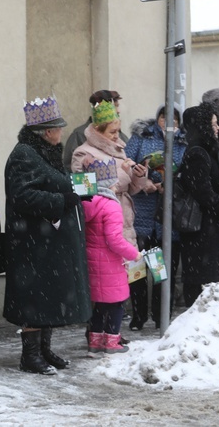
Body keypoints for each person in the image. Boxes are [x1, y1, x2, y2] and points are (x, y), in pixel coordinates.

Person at [3, 96, 90, 376]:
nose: (61, 132)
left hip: (46, 241)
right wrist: (62, 200)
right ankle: (30, 356)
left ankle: (43, 350)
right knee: (35, 299)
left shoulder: (43, 152)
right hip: (32, 241)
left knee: (48, 296)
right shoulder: (24, 154)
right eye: (58, 128)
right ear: (47, 132)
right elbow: (22, 196)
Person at [71, 101, 149, 332]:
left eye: (117, 131)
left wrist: (138, 176)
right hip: (101, 223)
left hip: (124, 218)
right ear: (98, 131)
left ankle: (112, 332)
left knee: (120, 282)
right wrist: (107, 188)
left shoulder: (119, 150)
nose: (117, 136)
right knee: (102, 284)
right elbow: (81, 192)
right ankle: (97, 331)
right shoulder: (83, 152)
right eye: (112, 132)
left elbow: (131, 189)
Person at [124, 104, 186, 330]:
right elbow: (125, 164)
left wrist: (168, 185)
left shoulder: (183, 142)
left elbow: (186, 174)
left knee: (161, 271)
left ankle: (162, 316)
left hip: (166, 221)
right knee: (137, 269)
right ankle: (138, 316)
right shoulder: (141, 136)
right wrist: (143, 182)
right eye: (163, 117)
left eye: (174, 120)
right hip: (140, 216)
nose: (167, 123)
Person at [80, 158, 141, 356]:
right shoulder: (111, 206)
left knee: (99, 304)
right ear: (109, 184)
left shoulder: (86, 204)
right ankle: (112, 341)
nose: (117, 185)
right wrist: (134, 254)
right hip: (109, 263)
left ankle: (95, 341)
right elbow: (114, 240)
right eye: (115, 182)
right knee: (116, 303)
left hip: (92, 261)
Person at [179, 103, 219, 306]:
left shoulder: (210, 151)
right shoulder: (198, 153)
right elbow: (205, 194)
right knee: (203, 285)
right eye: (213, 124)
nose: (218, 128)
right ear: (202, 126)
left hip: (210, 227)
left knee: (214, 281)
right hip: (200, 230)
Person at [63, 90, 128, 170]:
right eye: (114, 106)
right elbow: (72, 170)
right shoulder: (78, 135)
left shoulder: (120, 136)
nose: (118, 111)